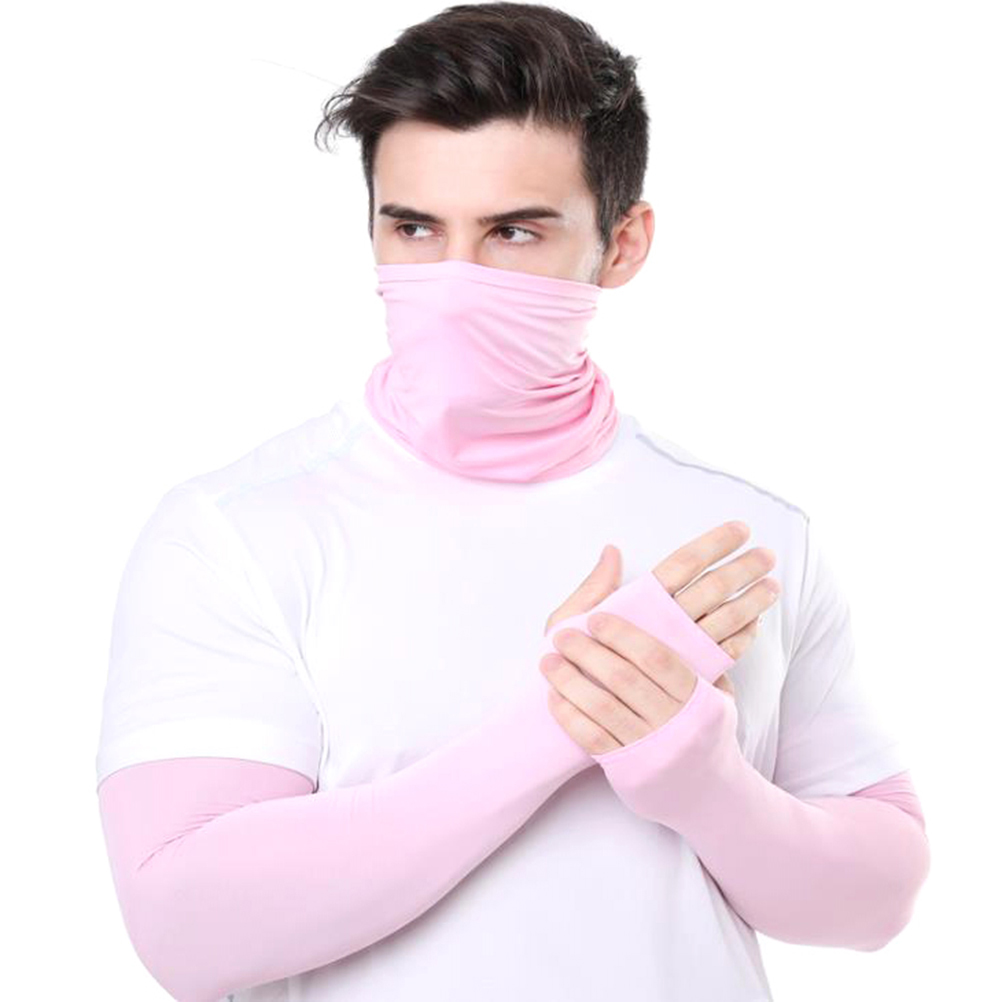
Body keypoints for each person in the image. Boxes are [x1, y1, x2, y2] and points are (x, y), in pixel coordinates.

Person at [94, 5, 930, 1001]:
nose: (455, 279)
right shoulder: (241, 532)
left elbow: (877, 904)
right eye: (415, 228)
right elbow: (189, 932)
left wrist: (704, 782)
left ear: (623, 245)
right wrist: (560, 726)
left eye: (514, 231)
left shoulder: (744, 537)